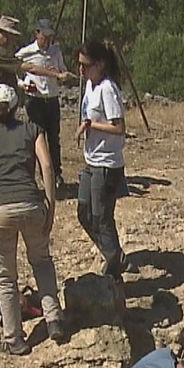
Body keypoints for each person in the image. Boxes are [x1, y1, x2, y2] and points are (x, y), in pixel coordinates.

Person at [0, 83, 67, 355]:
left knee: (4, 277)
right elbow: (47, 167)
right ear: (17, 106)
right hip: (30, 204)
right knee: (41, 261)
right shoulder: (32, 130)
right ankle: (54, 318)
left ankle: (14, 338)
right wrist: (51, 207)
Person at [76, 39, 130, 280]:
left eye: (86, 66)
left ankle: (114, 267)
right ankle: (114, 254)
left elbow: (119, 128)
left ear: (100, 64)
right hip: (92, 160)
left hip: (107, 164)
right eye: (79, 65)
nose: (81, 70)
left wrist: (90, 124)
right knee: (84, 212)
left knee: (101, 218)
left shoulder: (108, 89)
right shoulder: (90, 84)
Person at [16, 19, 74, 187]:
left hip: (52, 99)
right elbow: (14, 69)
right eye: (45, 36)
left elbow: (61, 69)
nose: (47, 40)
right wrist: (23, 84)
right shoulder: (26, 52)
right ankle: (40, 174)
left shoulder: (56, 51)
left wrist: (62, 75)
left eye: (50, 36)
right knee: (37, 138)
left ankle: (56, 173)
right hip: (35, 101)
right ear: (37, 34)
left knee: (54, 139)